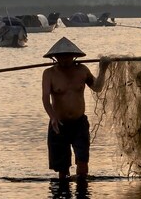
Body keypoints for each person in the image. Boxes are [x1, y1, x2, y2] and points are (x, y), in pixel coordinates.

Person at [41, 37, 104, 184]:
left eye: (67, 56)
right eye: (60, 57)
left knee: (82, 159)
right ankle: (63, 187)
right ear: (55, 57)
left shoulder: (82, 70)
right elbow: (45, 98)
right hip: (59, 124)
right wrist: (53, 117)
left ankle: (82, 185)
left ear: (73, 56)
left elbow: (97, 87)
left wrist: (103, 69)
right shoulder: (49, 73)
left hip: (79, 123)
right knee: (62, 168)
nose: (64, 60)